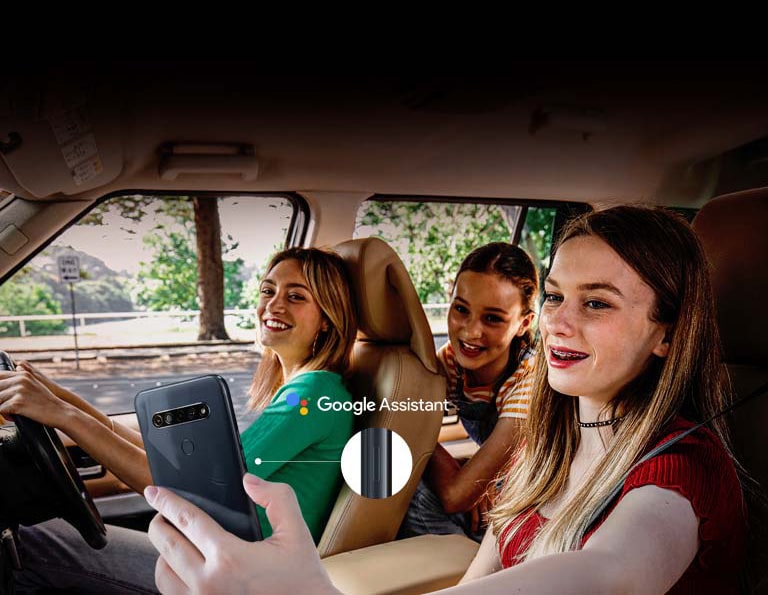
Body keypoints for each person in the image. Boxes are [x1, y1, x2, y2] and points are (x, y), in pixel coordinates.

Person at [145, 206, 747, 594]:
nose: (559, 322)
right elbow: (484, 573)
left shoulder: (679, 469)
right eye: (556, 297)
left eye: (597, 303)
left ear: (668, 332)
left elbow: (609, 574)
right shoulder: (549, 447)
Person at [0, 246, 357, 593]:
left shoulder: (314, 393)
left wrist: (62, 413)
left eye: (296, 297)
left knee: (30, 545)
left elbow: (196, 492)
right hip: (213, 551)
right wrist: (60, 397)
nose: (274, 304)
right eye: (268, 290)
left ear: (327, 319)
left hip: (233, 569)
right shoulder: (307, 389)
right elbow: (182, 471)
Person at [400, 243, 537, 541]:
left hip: (536, 503)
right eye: (461, 309)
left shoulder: (529, 381)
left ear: (523, 323)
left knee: (418, 496)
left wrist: (472, 481)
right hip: (503, 486)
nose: (471, 332)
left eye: (493, 318)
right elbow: (411, 425)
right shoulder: (451, 362)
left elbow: (454, 495)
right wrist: (478, 477)